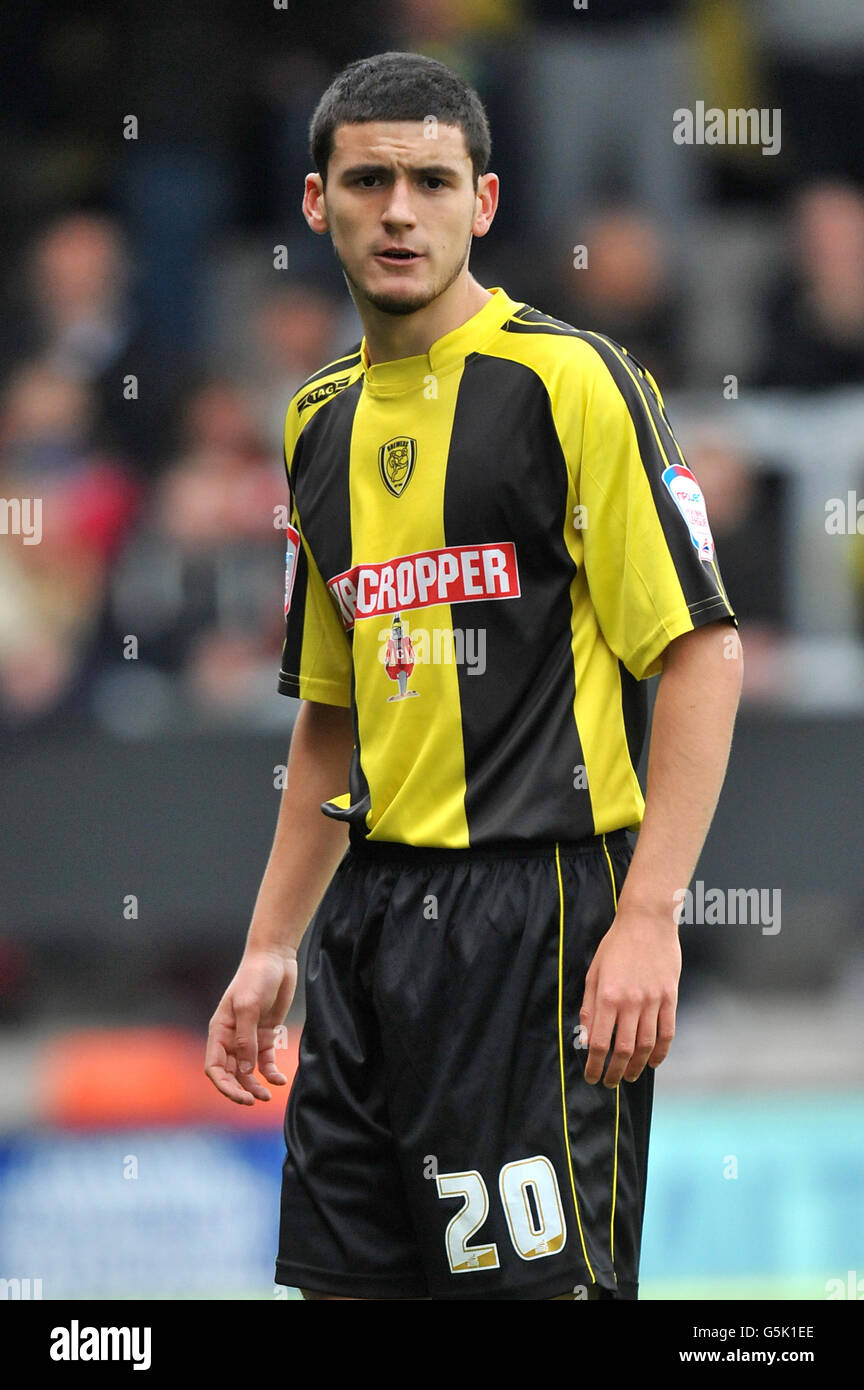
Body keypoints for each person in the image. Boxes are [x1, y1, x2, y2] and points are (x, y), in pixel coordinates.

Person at [205, 50, 742, 1301]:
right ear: (315, 203)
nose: (401, 209)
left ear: (483, 205)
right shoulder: (316, 421)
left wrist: (652, 913)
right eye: (372, 179)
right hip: (368, 933)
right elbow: (331, 719)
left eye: (433, 182)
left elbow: (703, 650)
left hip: (540, 917)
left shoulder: (573, 383)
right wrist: (272, 943)